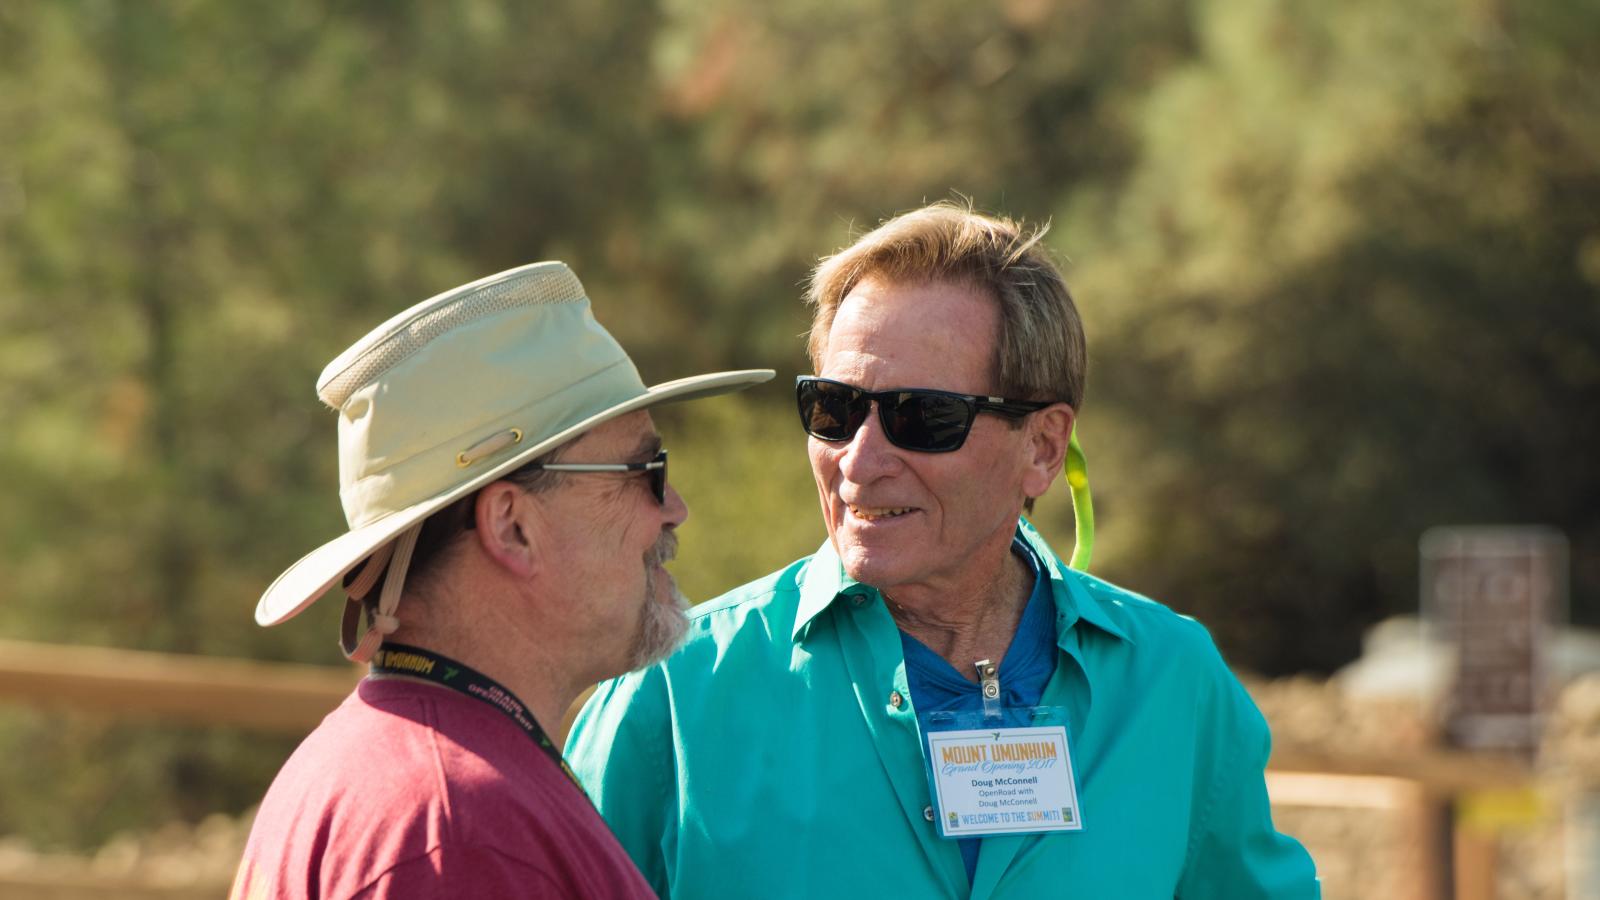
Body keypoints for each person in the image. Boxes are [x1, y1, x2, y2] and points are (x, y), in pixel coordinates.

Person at [565, 203, 1321, 899]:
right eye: (833, 409)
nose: (858, 461)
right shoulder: (671, 696)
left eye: (921, 417)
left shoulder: (1174, 683)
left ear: (1044, 447)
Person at [230, 261, 773, 898]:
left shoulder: (393, 777)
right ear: (512, 527)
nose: (674, 506)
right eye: (644, 469)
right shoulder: (457, 828)